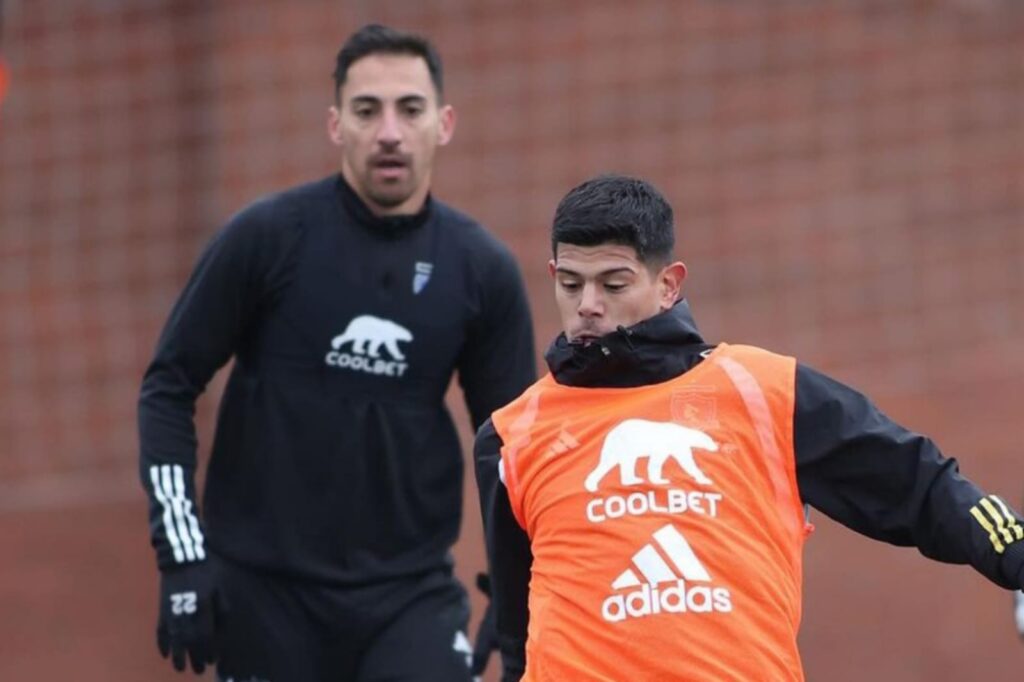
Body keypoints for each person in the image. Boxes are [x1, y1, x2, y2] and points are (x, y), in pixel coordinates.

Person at [473, 174, 1024, 681]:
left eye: (613, 286)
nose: (588, 307)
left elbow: (917, 483)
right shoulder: (513, 435)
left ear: (668, 285)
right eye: (571, 284)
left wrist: (1015, 554)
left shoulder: (765, 391)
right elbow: (519, 634)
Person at [139, 24, 536, 681]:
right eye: (366, 110)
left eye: (409, 109)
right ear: (335, 125)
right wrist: (182, 557)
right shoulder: (267, 239)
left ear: (444, 123)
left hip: (408, 597)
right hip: (265, 595)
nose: (388, 131)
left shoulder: (480, 269)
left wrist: (515, 588)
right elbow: (167, 386)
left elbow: (517, 450)